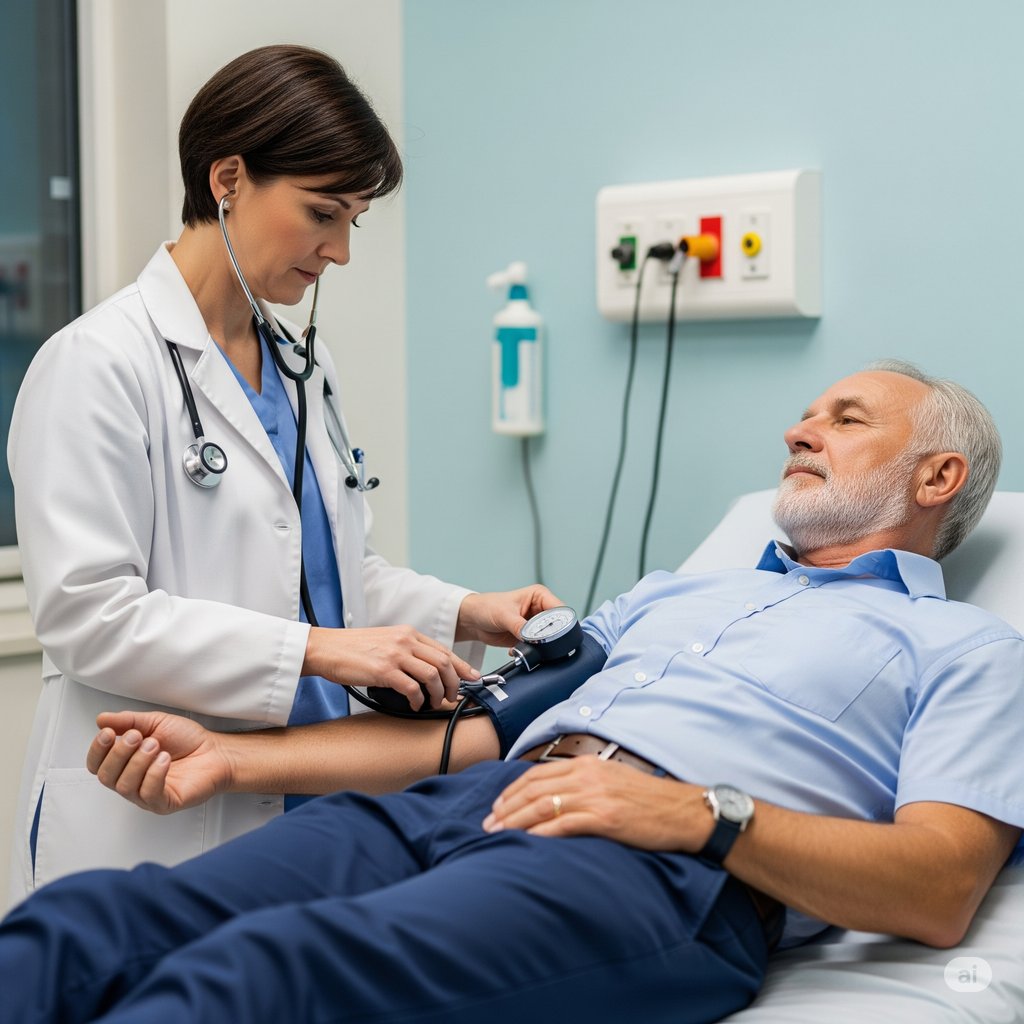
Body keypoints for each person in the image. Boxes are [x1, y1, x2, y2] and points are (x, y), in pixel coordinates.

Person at [3, 362, 1023, 1024]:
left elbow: (937, 887)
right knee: (94, 920)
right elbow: (481, 729)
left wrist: (692, 813)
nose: (800, 433)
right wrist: (235, 757)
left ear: (936, 479)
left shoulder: (968, 648)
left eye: (842, 420)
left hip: (660, 869)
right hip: (466, 803)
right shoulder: (679, 593)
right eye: (801, 417)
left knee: (269, 976)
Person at [5, 44, 559, 903]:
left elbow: (331, 579)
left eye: (353, 223)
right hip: (152, 818)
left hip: (310, 807)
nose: (338, 250)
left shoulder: (302, 363)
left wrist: (463, 610)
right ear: (227, 178)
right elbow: (89, 616)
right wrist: (320, 653)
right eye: (321, 213)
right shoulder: (96, 364)